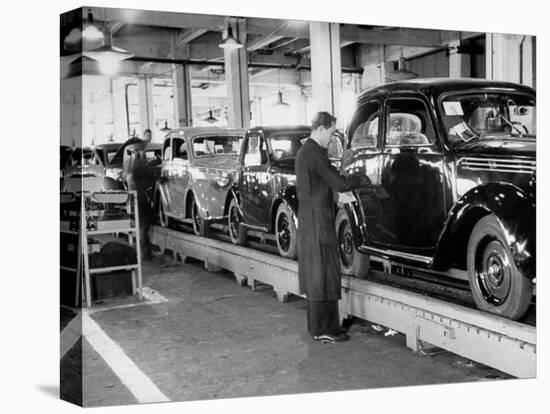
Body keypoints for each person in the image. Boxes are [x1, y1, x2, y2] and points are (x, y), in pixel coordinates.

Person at [295, 111, 366, 344]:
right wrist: (362, 177)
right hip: (318, 222)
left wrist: (336, 197)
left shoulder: (305, 152)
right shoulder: (315, 153)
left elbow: (320, 186)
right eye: (332, 132)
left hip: (311, 219)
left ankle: (322, 327)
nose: (332, 138)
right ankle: (323, 329)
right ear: (322, 129)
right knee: (322, 273)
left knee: (319, 273)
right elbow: (338, 182)